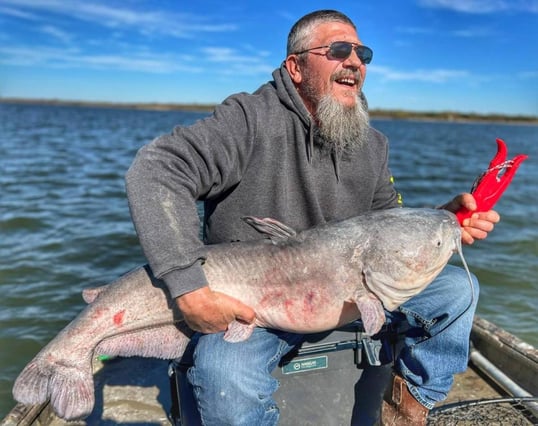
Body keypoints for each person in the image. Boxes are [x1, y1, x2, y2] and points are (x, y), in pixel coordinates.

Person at [125, 9, 499, 426]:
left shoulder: (372, 143)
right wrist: (187, 285)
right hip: (256, 304)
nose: (355, 62)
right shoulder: (248, 119)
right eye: (339, 50)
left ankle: (409, 402)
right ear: (296, 67)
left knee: (458, 289)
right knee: (223, 374)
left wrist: (437, 221)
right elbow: (157, 170)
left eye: (363, 54)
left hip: (349, 292)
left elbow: (384, 222)